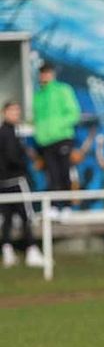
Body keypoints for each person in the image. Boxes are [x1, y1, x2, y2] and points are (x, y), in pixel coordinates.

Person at [33, 63, 81, 213]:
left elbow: (74, 113)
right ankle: (54, 206)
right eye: (42, 73)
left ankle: (67, 206)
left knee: (64, 172)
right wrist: (39, 133)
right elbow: (37, 118)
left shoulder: (63, 90)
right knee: (51, 175)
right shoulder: (38, 95)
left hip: (62, 138)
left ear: (52, 74)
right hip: (45, 142)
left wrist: (57, 127)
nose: (44, 76)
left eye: (47, 73)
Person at [0, 101, 43, 267]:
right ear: (5, 112)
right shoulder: (8, 133)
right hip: (16, 181)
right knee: (26, 216)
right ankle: (31, 250)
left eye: (17, 111)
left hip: (4, 182)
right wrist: (26, 164)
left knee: (8, 218)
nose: (16, 114)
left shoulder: (12, 132)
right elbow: (12, 157)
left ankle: (8, 251)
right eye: (12, 111)